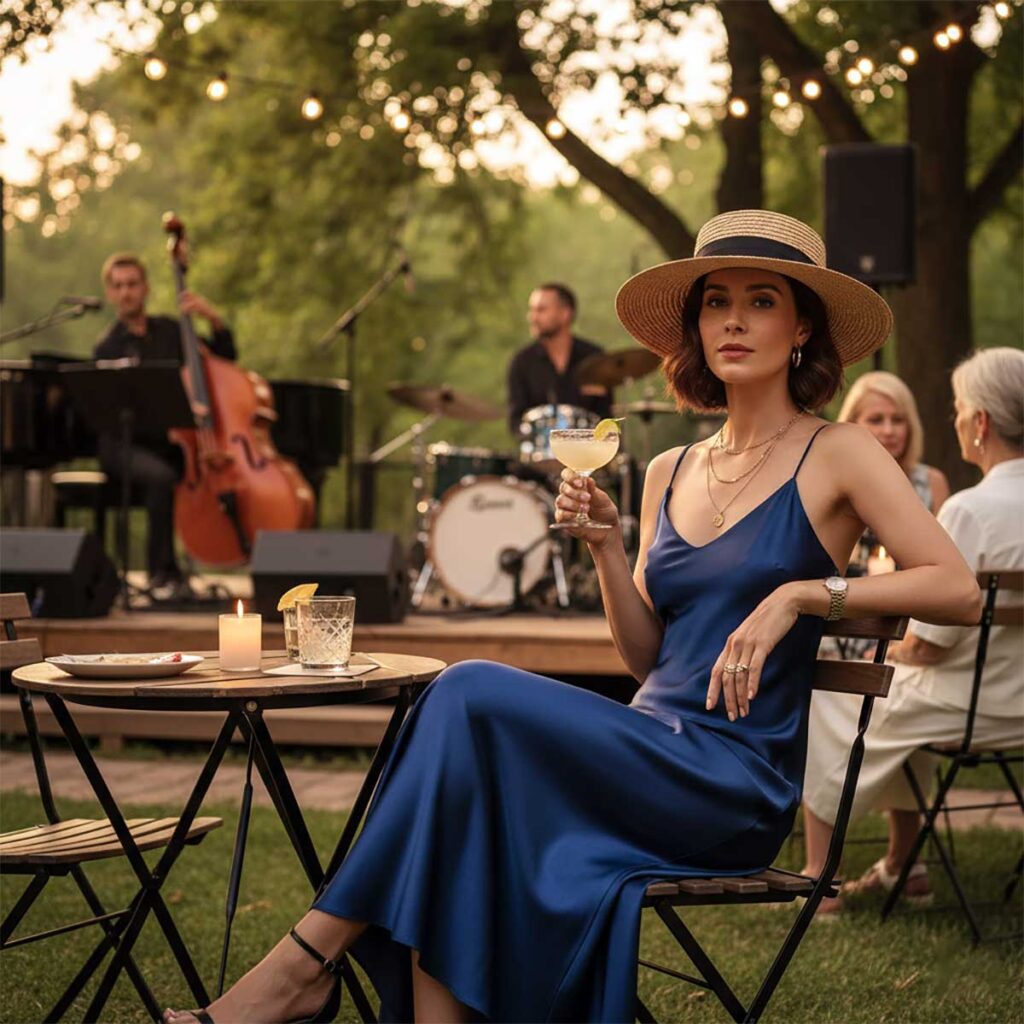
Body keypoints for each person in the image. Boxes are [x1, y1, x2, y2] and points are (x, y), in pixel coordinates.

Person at [164, 211, 980, 1024]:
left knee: (464, 692)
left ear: (801, 327)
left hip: (729, 783)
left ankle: (302, 966)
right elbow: (648, 661)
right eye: (716, 302)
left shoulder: (837, 452)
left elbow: (957, 589)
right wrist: (607, 552)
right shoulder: (669, 469)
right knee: (464, 792)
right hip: (644, 746)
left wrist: (802, 594)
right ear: (696, 327)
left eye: (761, 301)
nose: (733, 320)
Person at [802, 346, 1024, 911]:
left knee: (833, 690)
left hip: (973, 703)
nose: (956, 419)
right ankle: (906, 864)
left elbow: (928, 644)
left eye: (959, 409)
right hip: (1011, 699)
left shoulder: (970, 510)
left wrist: (886, 652)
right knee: (898, 703)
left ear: (981, 423)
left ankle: (819, 879)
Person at [93, 252, 236, 593]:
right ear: (110, 292)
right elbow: (108, 412)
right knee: (162, 477)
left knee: (198, 470)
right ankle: (162, 573)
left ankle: (201, 558)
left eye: (132, 284)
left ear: (145, 287)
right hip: (123, 444)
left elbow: (224, 358)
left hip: (168, 443)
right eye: (118, 286)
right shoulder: (107, 347)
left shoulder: (171, 331)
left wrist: (212, 317)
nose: (126, 292)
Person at [837, 371, 949, 569]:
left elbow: (948, 561)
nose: (888, 431)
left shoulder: (931, 482)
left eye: (897, 420)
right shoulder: (835, 482)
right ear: (851, 425)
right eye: (876, 420)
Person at [506, 282, 612, 436]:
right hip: (541, 448)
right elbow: (515, 420)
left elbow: (605, 415)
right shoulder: (522, 362)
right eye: (532, 310)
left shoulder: (594, 357)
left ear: (565, 314)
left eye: (541, 310)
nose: (532, 317)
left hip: (588, 448)